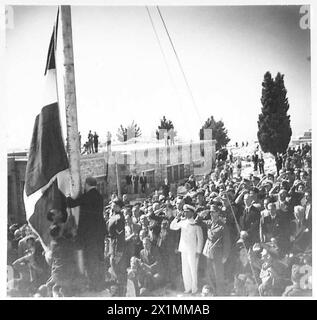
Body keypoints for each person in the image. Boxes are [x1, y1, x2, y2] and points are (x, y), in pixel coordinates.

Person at [66, 176, 105, 292]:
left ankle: (95, 285)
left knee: (90, 260)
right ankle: (98, 283)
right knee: (97, 260)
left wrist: (68, 194)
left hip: (89, 235)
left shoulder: (87, 196)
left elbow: (72, 203)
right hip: (98, 233)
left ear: (87, 184)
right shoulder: (99, 196)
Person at [170, 204, 203, 295]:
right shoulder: (183, 222)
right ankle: (187, 287)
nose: (185, 213)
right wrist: (177, 217)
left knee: (193, 269)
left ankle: (194, 289)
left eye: (187, 212)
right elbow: (172, 226)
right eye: (184, 212)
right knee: (185, 269)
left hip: (192, 250)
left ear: (192, 213)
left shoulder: (196, 224)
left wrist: (198, 251)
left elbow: (200, 239)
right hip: (184, 249)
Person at [202, 205, 231, 296]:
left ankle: (220, 294)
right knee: (209, 274)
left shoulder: (222, 226)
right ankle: (212, 293)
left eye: (213, 212)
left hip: (218, 254)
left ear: (218, 213)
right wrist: (202, 214)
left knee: (218, 276)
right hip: (209, 253)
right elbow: (198, 221)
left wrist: (225, 256)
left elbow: (227, 243)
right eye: (210, 212)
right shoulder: (210, 223)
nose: (211, 213)